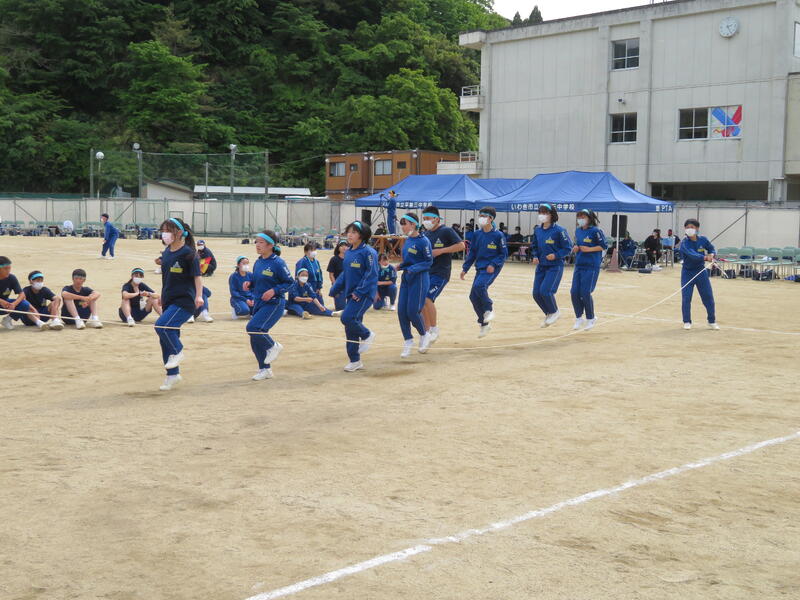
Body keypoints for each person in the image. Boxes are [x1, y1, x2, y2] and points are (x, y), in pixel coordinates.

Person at [154, 217, 204, 391]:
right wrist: (162, 296)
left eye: (168, 230)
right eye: (163, 230)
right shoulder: (167, 252)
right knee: (165, 338)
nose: (165, 234)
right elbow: (166, 278)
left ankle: (178, 350)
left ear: (180, 232)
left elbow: (197, 277)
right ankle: (172, 375)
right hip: (169, 300)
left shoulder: (189, 253)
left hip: (184, 302)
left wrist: (199, 296)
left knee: (161, 326)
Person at [329, 221, 378, 372]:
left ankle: (367, 335)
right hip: (351, 294)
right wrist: (335, 288)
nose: (349, 235)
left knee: (347, 318)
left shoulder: (369, 252)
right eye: (348, 232)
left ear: (362, 235)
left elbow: (371, 274)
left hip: (364, 295)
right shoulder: (349, 252)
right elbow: (345, 274)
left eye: (354, 232)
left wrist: (359, 292)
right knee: (350, 328)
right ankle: (355, 360)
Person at [246, 230, 293, 381]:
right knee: (255, 336)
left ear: (270, 245)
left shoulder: (278, 263)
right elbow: (257, 282)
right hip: (259, 302)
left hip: (274, 304)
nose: (257, 245)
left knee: (253, 328)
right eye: (256, 242)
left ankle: (273, 346)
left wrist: (274, 291)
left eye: (261, 242)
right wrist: (250, 284)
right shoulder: (258, 261)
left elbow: (290, 283)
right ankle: (265, 369)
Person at [460, 207, 508, 338]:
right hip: (480, 268)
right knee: (473, 296)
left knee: (479, 286)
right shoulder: (477, 234)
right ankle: (484, 324)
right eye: (480, 216)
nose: (481, 218)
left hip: (492, 268)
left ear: (491, 219)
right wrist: (465, 268)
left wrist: (493, 264)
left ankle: (488, 309)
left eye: (484, 216)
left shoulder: (498, 235)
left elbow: (503, 254)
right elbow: (472, 252)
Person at [421, 205, 464, 343]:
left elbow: (461, 245)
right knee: (421, 301)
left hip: (441, 273)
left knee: (427, 298)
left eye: (428, 218)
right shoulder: (426, 234)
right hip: (427, 272)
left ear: (436, 219)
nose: (425, 221)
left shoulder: (446, 231)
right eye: (424, 218)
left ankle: (434, 329)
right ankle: (426, 331)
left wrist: (441, 251)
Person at [396, 212, 433, 357]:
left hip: (419, 279)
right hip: (407, 278)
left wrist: (414, 269)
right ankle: (408, 340)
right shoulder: (408, 240)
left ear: (413, 224)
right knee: (401, 311)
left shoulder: (424, 241)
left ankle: (424, 334)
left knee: (412, 311)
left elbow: (428, 262)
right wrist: (400, 266)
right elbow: (408, 260)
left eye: (404, 224)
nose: (402, 227)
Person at [530, 203, 572, 328]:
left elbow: (568, 248)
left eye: (545, 213)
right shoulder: (537, 230)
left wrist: (556, 255)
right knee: (536, 294)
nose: (542, 215)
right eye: (540, 213)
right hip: (541, 266)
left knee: (545, 291)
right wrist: (535, 256)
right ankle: (549, 313)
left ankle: (555, 311)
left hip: (554, 266)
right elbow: (534, 246)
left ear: (552, 215)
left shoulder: (560, 231)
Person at [678, 219, 719, 330]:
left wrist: (712, 254)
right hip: (687, 272)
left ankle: (711, 321)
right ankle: (687, 321)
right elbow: (692, 255)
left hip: (701, 272)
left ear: (697, 228)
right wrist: (705, 257)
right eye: (687, 227)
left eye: (691, 227)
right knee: (686, 298)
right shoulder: (684, 243)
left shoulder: (703, 240)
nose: (689, 229)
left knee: (708, 297)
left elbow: (711, 248)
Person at [570, 209, 607, 331]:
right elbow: (577, 244)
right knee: (574, 292)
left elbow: (603, 246)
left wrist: (589, 249)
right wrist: (575, 248)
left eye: (583, 217)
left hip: (591, 265)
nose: (580, 219)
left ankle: (590, 318)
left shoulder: (596, 231)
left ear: (589, 218)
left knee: (585, 292)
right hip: (579, 264)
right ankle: (578, 318)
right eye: (579, 217)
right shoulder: (578, 231)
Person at [0, 258, 48, 330]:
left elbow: (22, 294)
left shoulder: (11, 278)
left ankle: (7, 320)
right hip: (2, 303)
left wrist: (14, 304)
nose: (8, 271)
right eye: (5, 269)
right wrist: (1, 301)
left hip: (6, 304)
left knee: (24, 304)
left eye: (9, 268)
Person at [327, 241, 348, 311]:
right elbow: (331, 274)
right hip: (339, 286)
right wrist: (335, 285)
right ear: (338, 248)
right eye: (341, 246)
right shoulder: (334, 259)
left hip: (349, 285)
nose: (344, 247)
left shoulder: (350, 259)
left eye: (346, 245)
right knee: (340, 308)